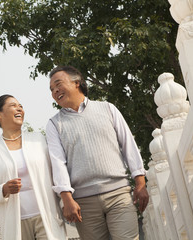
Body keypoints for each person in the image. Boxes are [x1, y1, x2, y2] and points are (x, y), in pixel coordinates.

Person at [46, 66, 149, 240]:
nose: (55, 91)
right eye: (51, 89)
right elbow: (58, 163)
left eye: (58, 84)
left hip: (119, 194)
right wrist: (67, 199)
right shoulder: (54, 124)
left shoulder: (107, 108)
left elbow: (128, 145)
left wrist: (140, 183)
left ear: (76, 82)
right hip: (83, 204)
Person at [0, 94, 67, 240]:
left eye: (21, 106)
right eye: (13, 105)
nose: (19, 108)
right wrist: (3, 189)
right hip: (16, 222)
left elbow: (58, 171)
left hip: (46, 215)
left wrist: (66, 201)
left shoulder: (39, 139)